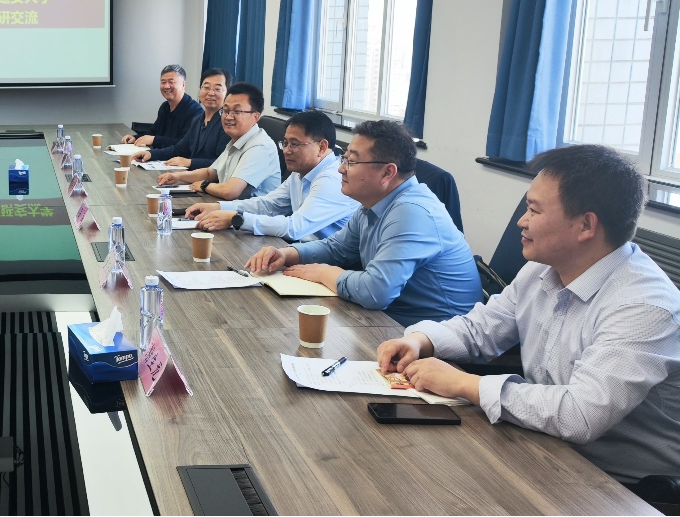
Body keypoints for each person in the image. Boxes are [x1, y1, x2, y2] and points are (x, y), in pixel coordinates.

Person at [376, 145, 680, 484]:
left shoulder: (644, 307)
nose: (521, 221)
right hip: (541, 445)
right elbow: (481, 329)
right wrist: (421, 341)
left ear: (585, 225)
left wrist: (464, 384)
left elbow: (581, 414)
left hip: (621, 486)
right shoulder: (542, 269)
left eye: (533, 210)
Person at [245, 120, 479, 326]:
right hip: (391, 320)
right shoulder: (375, 202)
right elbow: (337, 248)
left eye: (352, 162)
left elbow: (376, 292)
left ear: (387, 173)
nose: (341, 169)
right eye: (344, 158)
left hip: (436, 335)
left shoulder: (412, 212)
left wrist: (325, 273)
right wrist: (287, 254)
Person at [185, 109, 357, 240]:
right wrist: (219, 207)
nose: (286, 151)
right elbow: (270, 204)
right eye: (285, 143)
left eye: (295, 144)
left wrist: (237, 219)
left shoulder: (332, 179)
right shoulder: (301, 171)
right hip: (303, 251)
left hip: (330, 264)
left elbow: (295, 228)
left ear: (321, 147)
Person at [154, 82, 280, 200]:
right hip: (229, 207)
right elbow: (210, 173)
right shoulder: (236, 140)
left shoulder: (260, 146)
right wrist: (178, 176)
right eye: (225, 110)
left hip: (251, 214)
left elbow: (230, 191)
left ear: (256, 117)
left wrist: (204, 186)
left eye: (237, 111)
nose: (228, 117)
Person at [132, 68, 230, 170]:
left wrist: (190, 162)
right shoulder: (198, 120)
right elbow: (180, 149)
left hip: (209, 178)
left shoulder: (228, 123)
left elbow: (223, 163)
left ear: (227, 94)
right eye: (206, 87)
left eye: (217, 89)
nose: (210, 93)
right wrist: (151, 154)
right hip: (189, 175)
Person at [121, 64, 203, 147]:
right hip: (159, 153)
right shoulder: (165, 107)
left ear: (183, 85)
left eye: (171, 82)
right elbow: (154, 132)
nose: (166, 86)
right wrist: (135, 138)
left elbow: (186, 144)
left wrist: (154, 140)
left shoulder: (195, 111)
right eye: (163, 82)